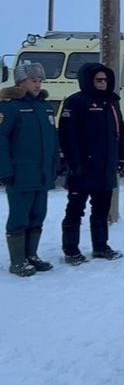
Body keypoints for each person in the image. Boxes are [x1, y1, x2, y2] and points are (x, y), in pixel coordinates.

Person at [58, 62, 124, 265]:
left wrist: (121, 157)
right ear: (88, 80)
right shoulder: (75, 102)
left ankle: (101, 246)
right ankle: (71, 250)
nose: (103, 83)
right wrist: (75, 163)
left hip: (105, 169)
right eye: (98, 80)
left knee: (101, 210)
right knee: (75, 210)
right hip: (83, 169)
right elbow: (67, 136)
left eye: (105, 80)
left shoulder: (112, 103)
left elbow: (119, 133)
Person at [0, 63, 59, 277]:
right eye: (33, 80)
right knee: (19, 217)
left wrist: (54, 164)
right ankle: (18, 261)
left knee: (37, 215)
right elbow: (1, 140)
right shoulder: (9, 107)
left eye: (40, 81)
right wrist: (4, 169)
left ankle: (31, 255)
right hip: (19, 174)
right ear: (21, 82)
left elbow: (51, 139)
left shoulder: (44, 106)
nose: (38, 84)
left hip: (41, 173)